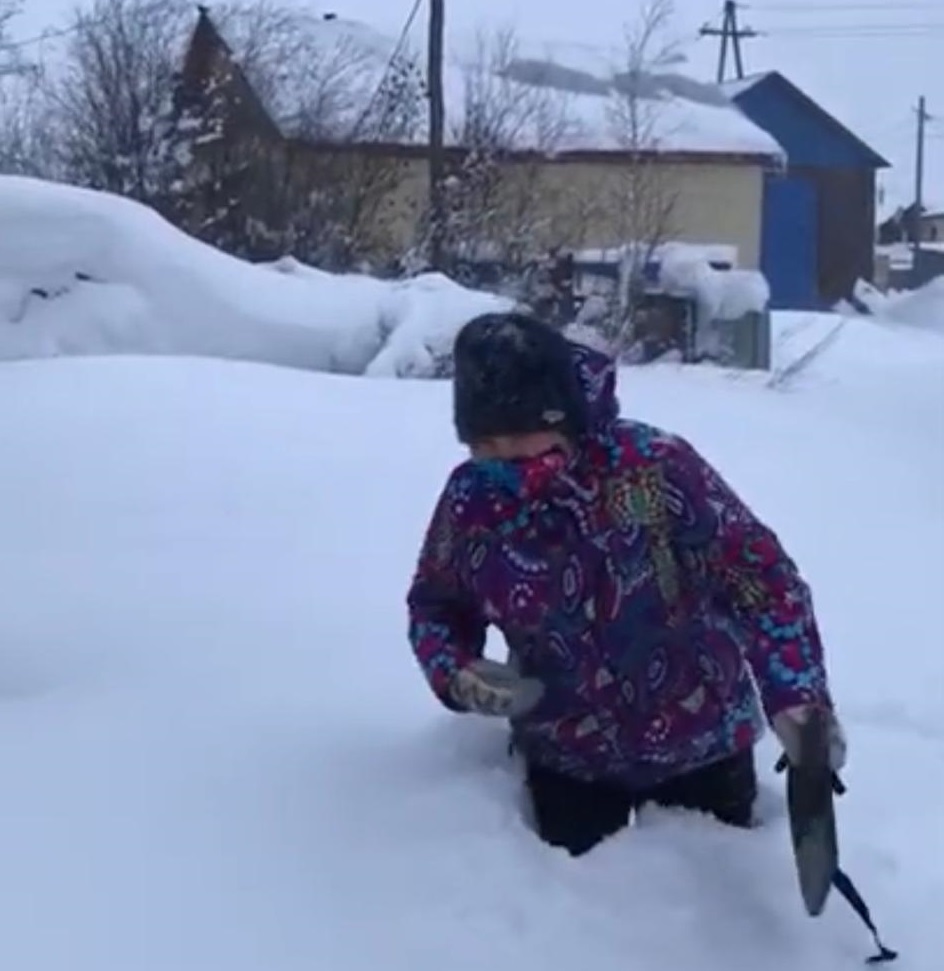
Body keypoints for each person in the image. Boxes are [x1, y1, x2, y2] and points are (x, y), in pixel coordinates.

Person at [406, 312, 846, 858]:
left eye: (520, 438)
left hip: (702, 746)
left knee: (715, 920)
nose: (504, 459)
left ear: (561, 417)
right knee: (585, 926)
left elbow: (763, 583)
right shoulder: (472, 500)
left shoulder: (655, 468)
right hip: (566, 756)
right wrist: (455, 670)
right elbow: (437, 605)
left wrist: (796, 698)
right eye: (484, 443)